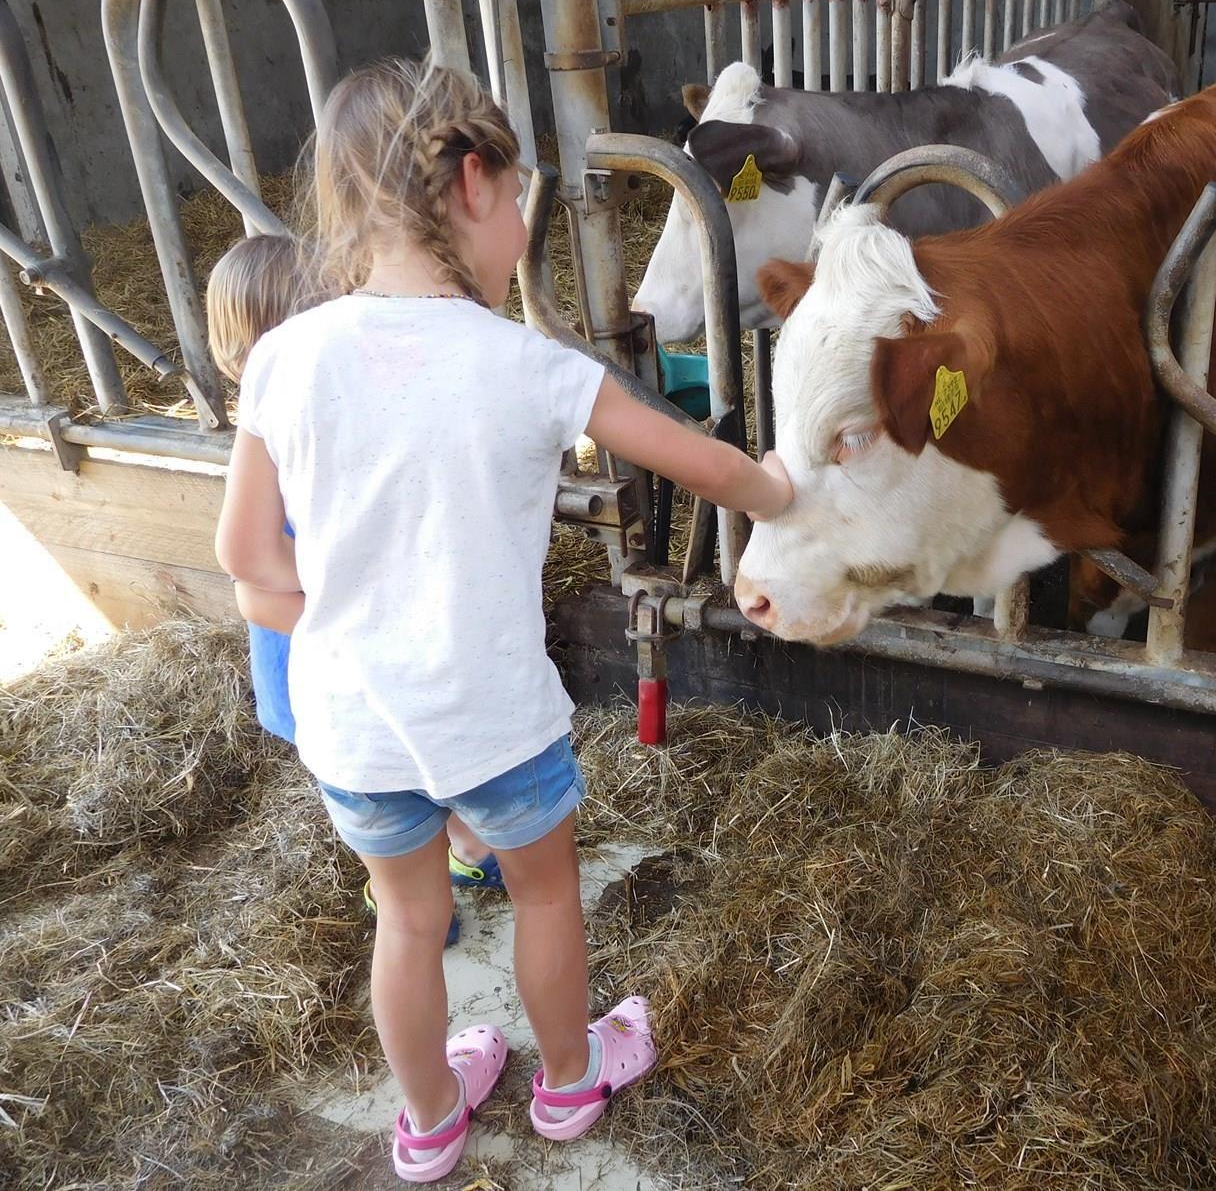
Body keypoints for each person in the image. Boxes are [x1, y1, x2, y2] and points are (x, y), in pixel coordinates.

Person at [215, 59, 793, 1183]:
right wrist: (776, 488)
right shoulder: (530, 367)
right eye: (522, 198)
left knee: (406, 918)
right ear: (474, 183)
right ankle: (570, 1084)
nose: (522, 226)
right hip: (492, 715)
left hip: (355, 725)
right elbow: (701, 465)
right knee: (541, 895)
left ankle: (428, 1121)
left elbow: (246, 560)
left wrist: (347, 625)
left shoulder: (282, 359)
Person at [207, 234, 503, 950]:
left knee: (416, 766)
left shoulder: (336, 422)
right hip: (324, 658)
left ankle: (458, 855)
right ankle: (413, 893)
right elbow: (257, 585)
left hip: (379, 652)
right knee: (377, 779)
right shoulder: (274, 447)